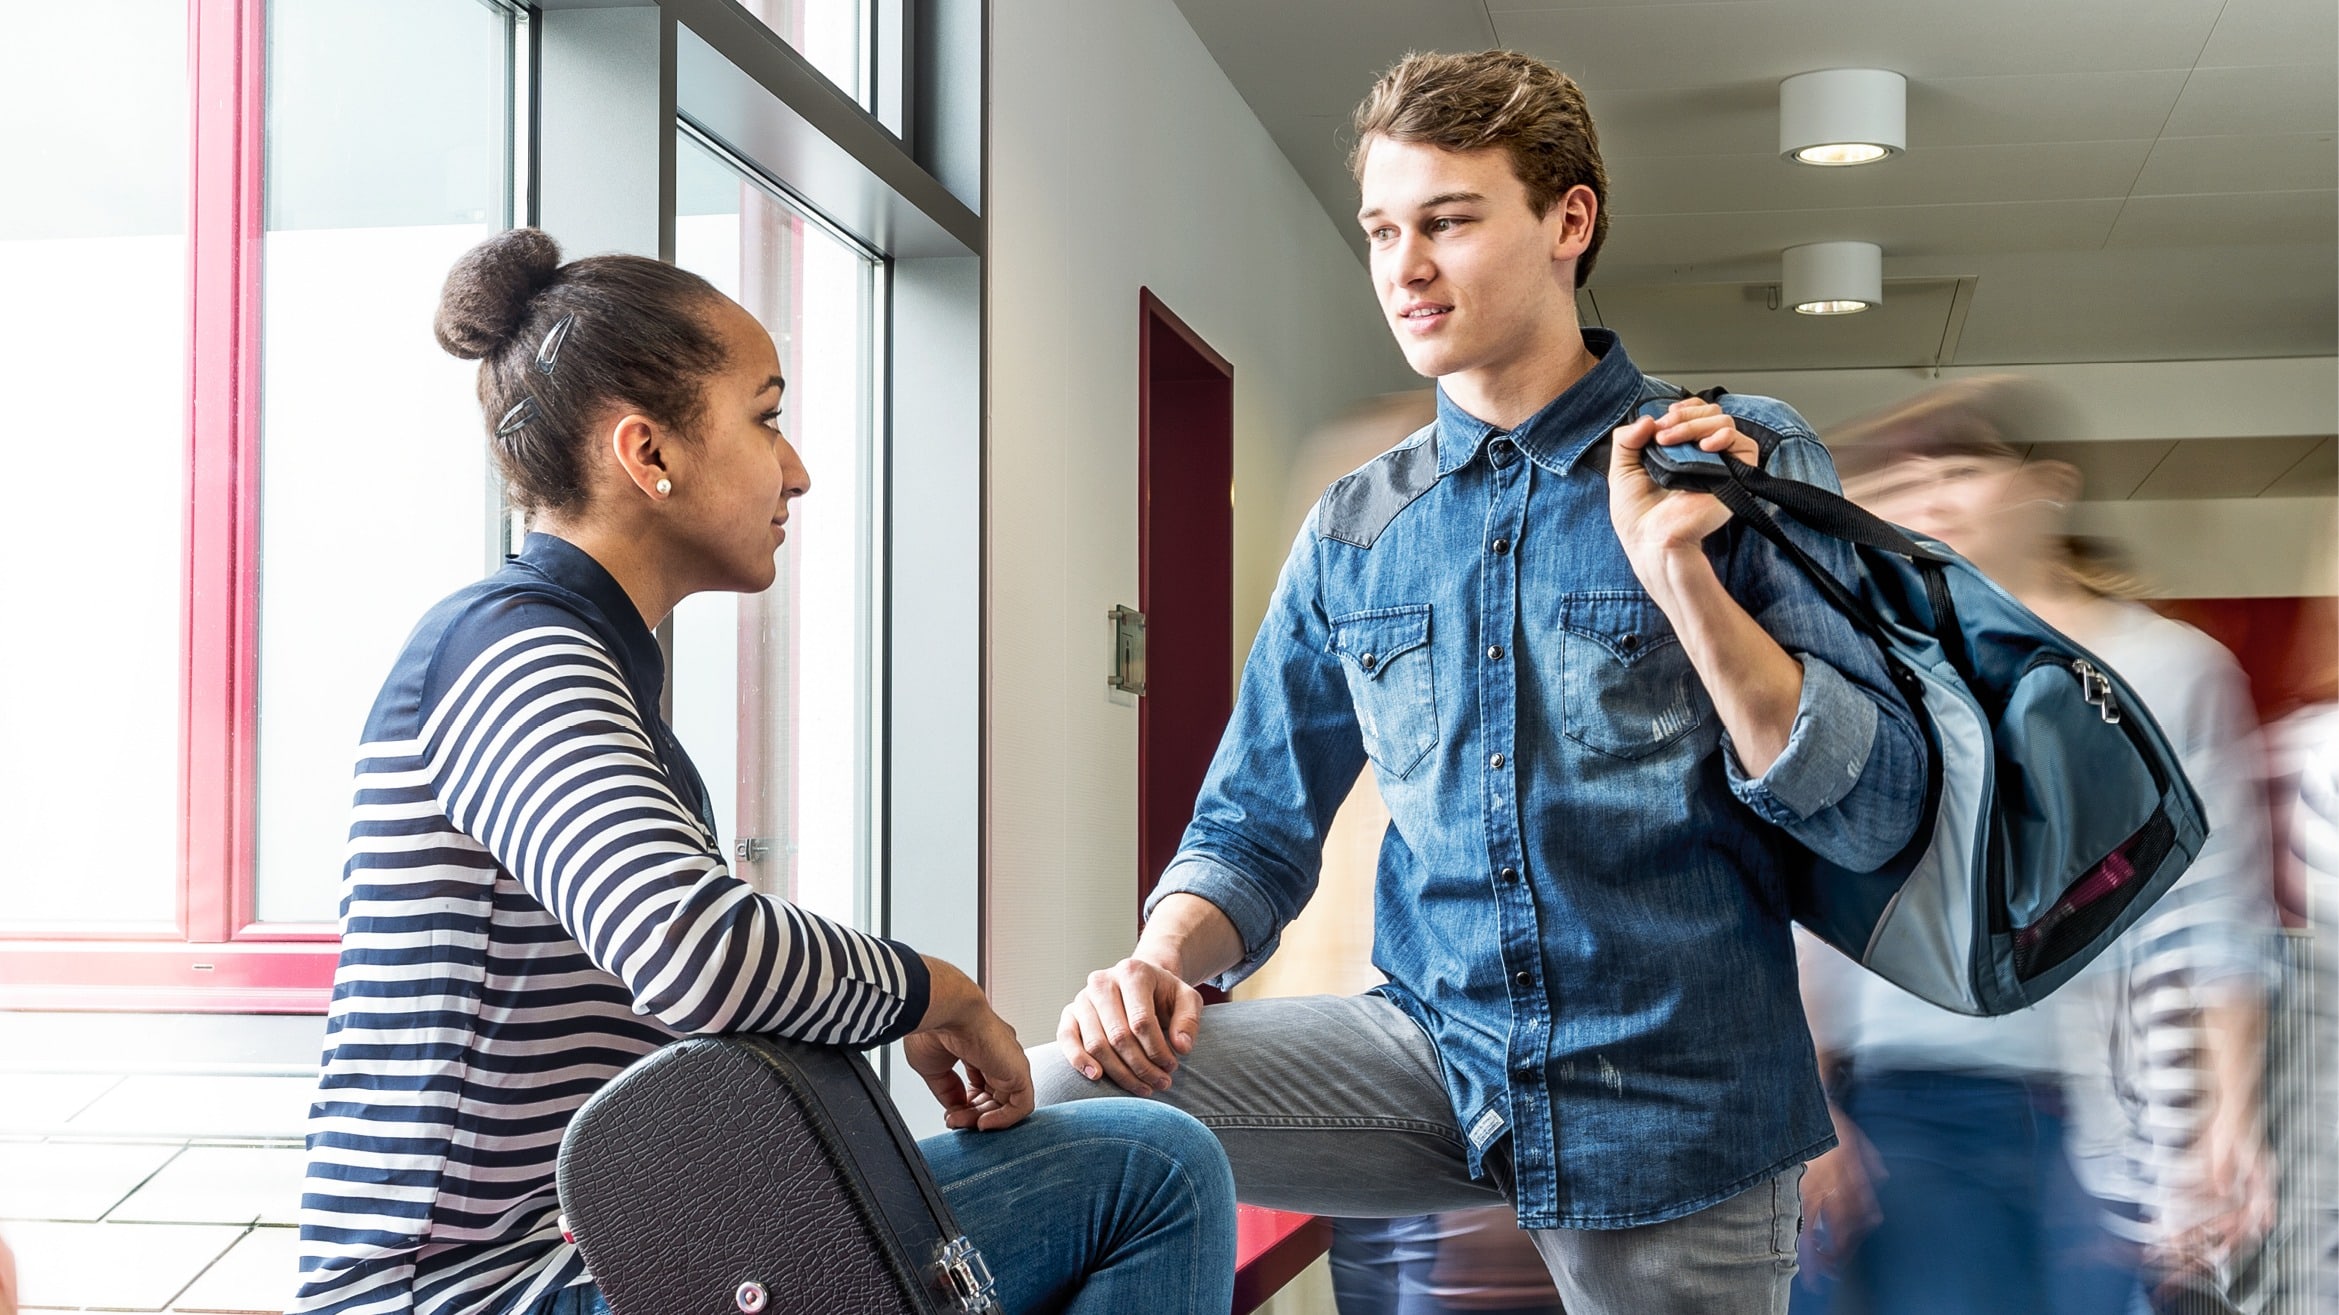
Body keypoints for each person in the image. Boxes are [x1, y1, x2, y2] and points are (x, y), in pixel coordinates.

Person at [1033, 49, 1926, 1315]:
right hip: (1431, 1056)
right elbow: (1251, 821)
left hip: (1668, 1096)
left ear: (1567, 221)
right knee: (1067, 1094)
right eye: (1383, 229)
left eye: (1447, 222)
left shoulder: (1733, 457)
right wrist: (1157, 962)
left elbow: (1871, 799)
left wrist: (1690, 587)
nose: (1403, 266)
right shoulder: (1355, 525)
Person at [291, 229, 1236, 1315]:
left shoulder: (557, 655)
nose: (797, 469)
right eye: (766, 416)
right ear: (649, 454)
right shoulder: (514, 652)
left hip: (571, 1267)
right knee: (1154, 1174)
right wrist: (930, 987)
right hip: (474, 1296)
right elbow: (690, 949)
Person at [1816, 379, 2277, 1314]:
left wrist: (2231, 1113)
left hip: (2102, 1107)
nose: (1928, 500)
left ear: (2043, 486)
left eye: (1958, 469)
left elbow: (2214, 909)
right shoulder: (1873, 672)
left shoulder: (2162, 669)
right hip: (1905, 1098)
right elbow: (1815, 903)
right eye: (1898, 484)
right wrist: (1810, 1103)